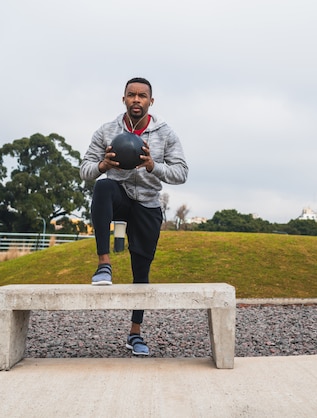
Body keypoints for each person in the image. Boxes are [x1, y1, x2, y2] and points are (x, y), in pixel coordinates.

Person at [79, 77, 188, 356]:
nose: (136, 100)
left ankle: (135, 334)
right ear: (124, 99)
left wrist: (154, 166)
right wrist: (103, 164)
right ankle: (104, 264)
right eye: (131, 95)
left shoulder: (165, 133)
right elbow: (85, 169)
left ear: (151, 101)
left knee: (142, 271)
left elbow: (181, 173)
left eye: (142, 96)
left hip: (148, 203)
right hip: (120, 195)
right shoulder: (107, 130)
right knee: (103, 185)